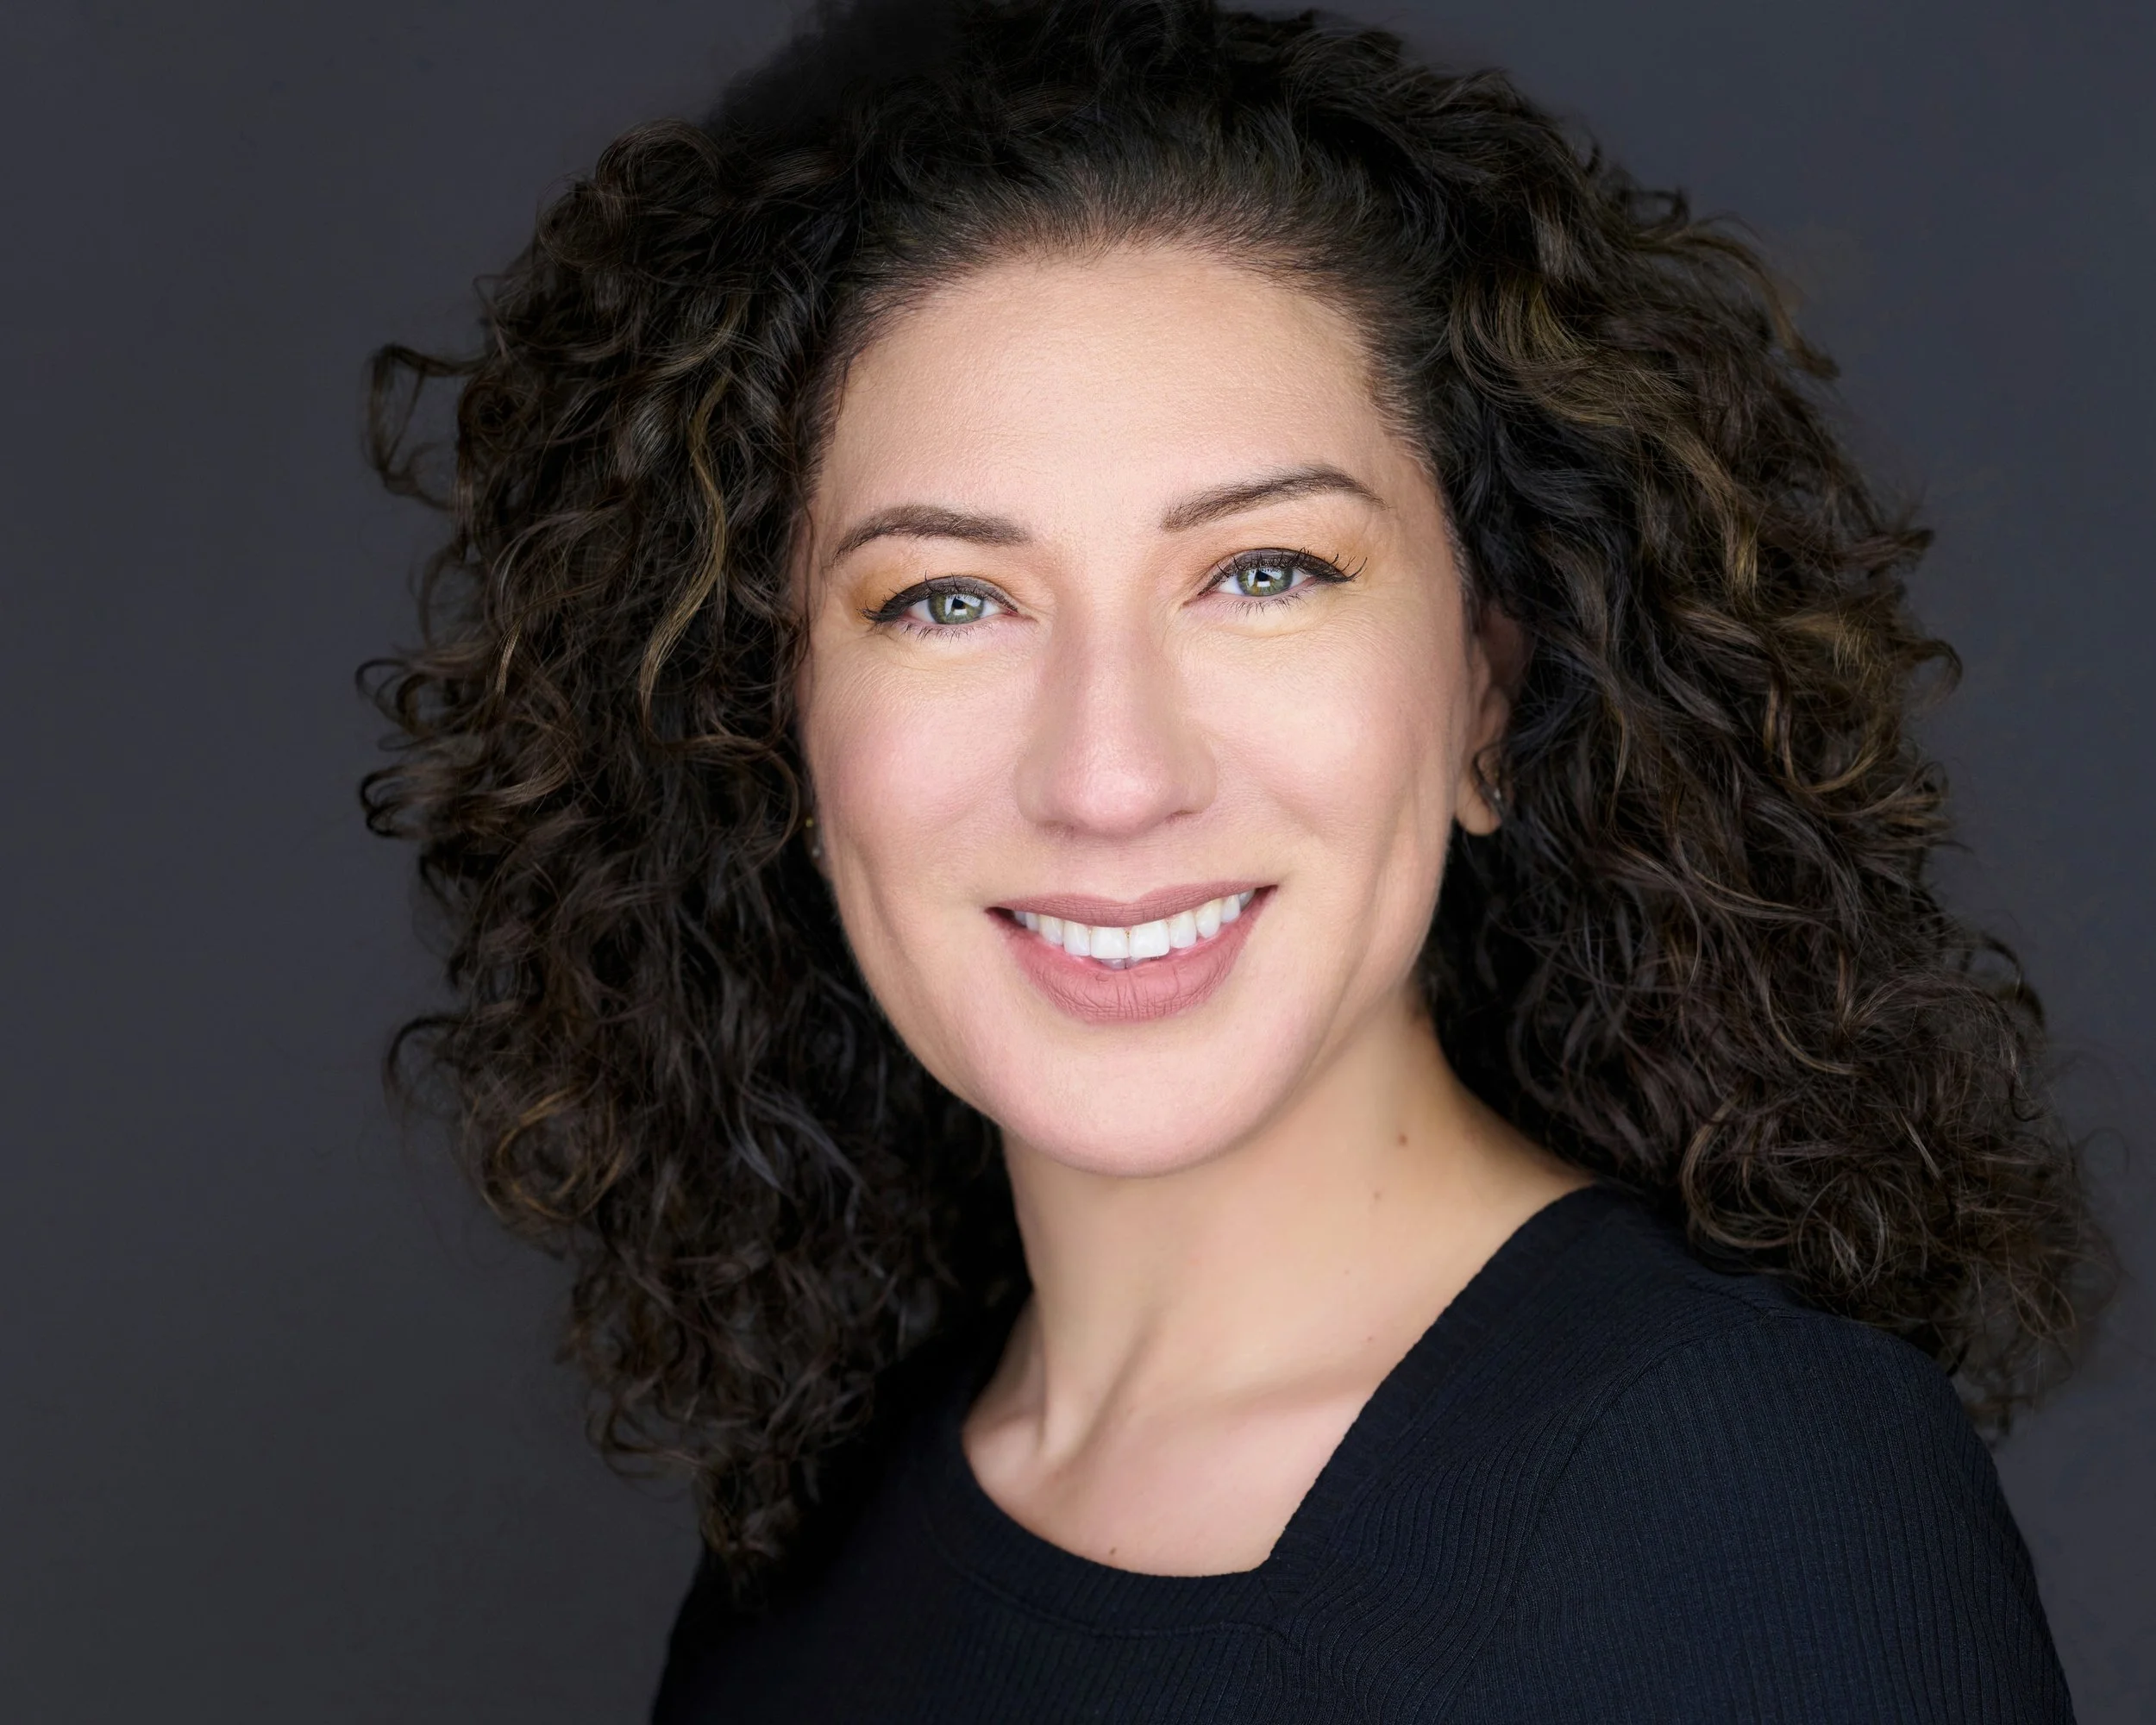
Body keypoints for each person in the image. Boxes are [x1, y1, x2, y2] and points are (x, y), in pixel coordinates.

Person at [363, 1, 2100, 1716]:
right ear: (778, 738)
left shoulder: (1750, 1504)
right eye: (948, 600)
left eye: (1262, 571)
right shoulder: (816, 1531)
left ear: (1487, 688)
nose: (1109, 776)